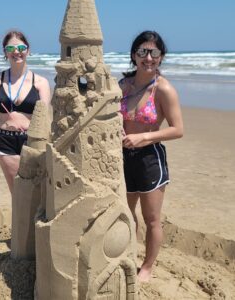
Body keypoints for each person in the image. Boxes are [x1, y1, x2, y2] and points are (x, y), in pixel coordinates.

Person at [119, 31, 183, 282]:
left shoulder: (164, 89)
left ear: (161, 57)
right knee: (124, 211)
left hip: (149, 158)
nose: (148, 57)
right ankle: (127, 255)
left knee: (152, 218)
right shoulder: (123, 86)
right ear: (134, 55)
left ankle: (146, 267)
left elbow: (178, 129)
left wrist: (144, 137)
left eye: (154, 53)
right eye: (143, 52)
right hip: (122, 156)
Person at [0, 30, 51, 195]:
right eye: (11, 49)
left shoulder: (41, 83)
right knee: (18, 193)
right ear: (5, 52)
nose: (17, 52)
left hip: (32, 142)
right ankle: (19, 222)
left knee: (37, 193)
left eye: (21, 47)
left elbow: (44, 119)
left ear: (28, 50)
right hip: (6, 141)